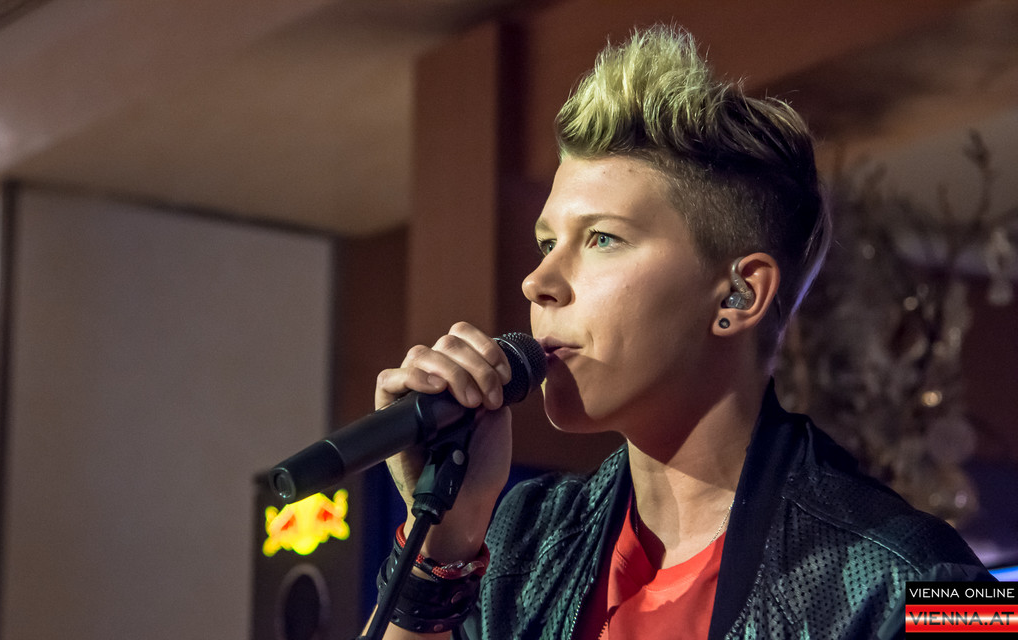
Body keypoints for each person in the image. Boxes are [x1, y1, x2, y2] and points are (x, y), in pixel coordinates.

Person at [368, 25, 992, 639]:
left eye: (602, 238)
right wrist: (442, 543)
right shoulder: (526, 539)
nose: (538, 282)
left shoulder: (931, 579)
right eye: (547, 243)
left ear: (739, 294)